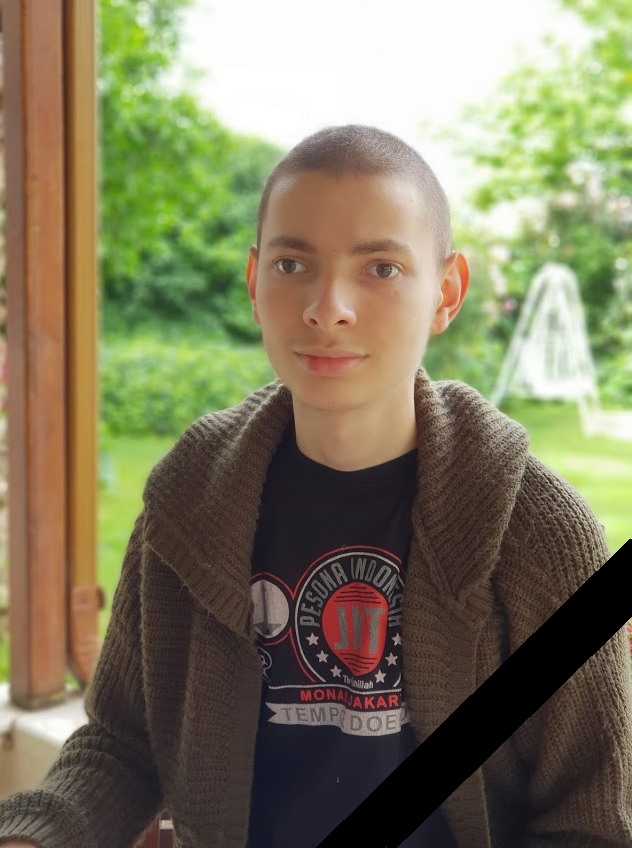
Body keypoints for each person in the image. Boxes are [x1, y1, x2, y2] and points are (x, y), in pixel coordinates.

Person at [1, 125, 631, 848]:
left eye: (381, 268)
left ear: (446, 292)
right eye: (292, 263)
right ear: (253, 281)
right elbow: (121, 745)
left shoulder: (539, 533)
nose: (328, 306)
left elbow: (591, 826)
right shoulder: (188, 500)